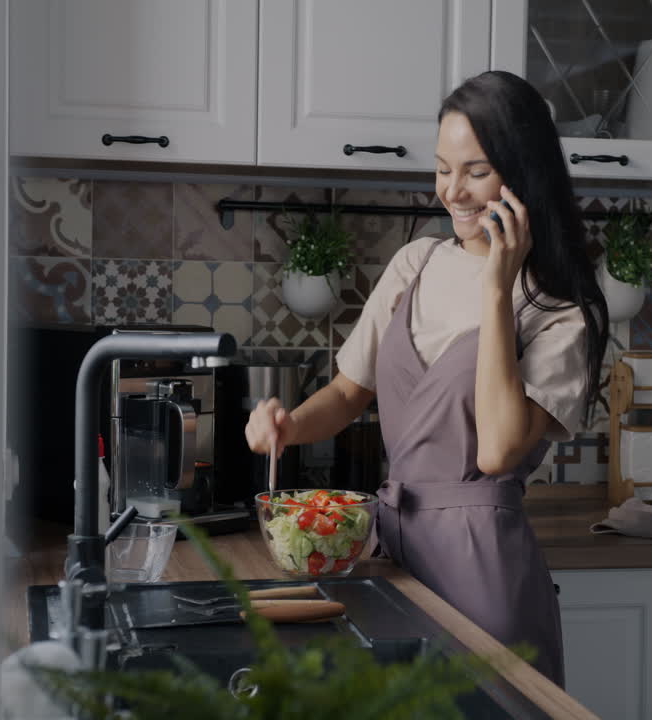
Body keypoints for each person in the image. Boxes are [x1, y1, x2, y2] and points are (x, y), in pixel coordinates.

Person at [244, 70, 609, 686]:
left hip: (482, 573)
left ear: (524, 175)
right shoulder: (416, 263)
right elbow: (348, 392)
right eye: (443, 168)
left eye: (476, 171)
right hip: (388, 553)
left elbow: (496, 451)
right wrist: (289, 425)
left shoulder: (559, 311)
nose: (454, 192)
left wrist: (497, 285)